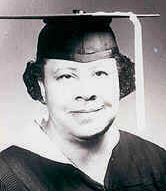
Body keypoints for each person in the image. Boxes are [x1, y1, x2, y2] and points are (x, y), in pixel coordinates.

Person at [0, 15, 166, 191]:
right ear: (41, 86)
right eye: (66, 76)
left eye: (100, 73)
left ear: (120, 79)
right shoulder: (8, 178)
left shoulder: (158, 164)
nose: (87, 93)